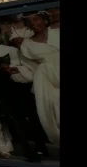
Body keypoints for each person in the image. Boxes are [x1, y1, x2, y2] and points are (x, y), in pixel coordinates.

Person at [0, 27, 48, 161]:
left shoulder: (10, 50)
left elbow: (22, 65)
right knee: (13, 120)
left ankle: (40, 145)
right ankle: (27, 150)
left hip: (16, 88)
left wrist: (12, 69)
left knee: (31, 117)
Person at [20, 12, 60, 145]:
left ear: (44, 20)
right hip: (46, 79)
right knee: (54, 107)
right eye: (29, 21)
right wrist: (18, 71)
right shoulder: (26, 45)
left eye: (36, 19)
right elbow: (29, 67)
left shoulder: (57, 33)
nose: (33, 23)